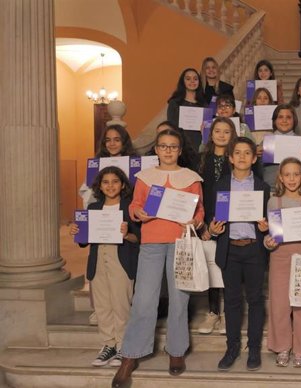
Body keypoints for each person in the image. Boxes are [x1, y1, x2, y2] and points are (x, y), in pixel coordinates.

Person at [111, 129, 204, 387]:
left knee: (178, 298)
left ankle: (176, 351)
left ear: (180, 150)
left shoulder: (191, 178)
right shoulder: (145, 177)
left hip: (181, 242)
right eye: (163, 146)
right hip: (151, 242)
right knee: (143, 300)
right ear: (157, 149)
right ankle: (130, 355)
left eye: (173, 146)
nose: (168, 151)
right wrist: (138, 212)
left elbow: (200, 211)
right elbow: (134, 207)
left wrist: (195, 220)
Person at [70, 166, 140, 367]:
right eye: (106, 182)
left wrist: (127, 234)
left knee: (121, 304)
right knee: (102, 305)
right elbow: (84, 241)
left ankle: (122, 346)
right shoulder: (93, 209)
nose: (110, 186)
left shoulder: (129, 207)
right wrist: (77, 231)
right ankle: (108, 344)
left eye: (115, 181)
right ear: (99, 186)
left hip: (121, 260)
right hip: (98, 260)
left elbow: (139, 238)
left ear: (123, 184)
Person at [212, 137, 271, 372]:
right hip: (230, 249)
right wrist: (213, 228)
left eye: (247, 153)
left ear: (254, 158)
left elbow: (270, 221)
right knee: (233, 301)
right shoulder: (220, 186)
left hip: (254, 249)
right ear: (230, 158)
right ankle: (232, 347)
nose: (242, 157)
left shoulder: (263, 187)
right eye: (237, 153)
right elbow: (212, 218)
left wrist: (267, 228)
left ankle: (254, 347)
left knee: (256, 300)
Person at [263, 157, 301, 368]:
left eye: (296, 174)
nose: (292, 178)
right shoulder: (273, 201)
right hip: (280, 257)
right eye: (287, 175)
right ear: (281, 178)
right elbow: (271, 237)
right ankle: (282, 346)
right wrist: (268, 243)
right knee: (279, 305)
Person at [197, 118, 237, 335]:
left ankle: (229, 313)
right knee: (212, 267)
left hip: (233, 219)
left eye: (227, 131)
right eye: (218, 131)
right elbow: (196, 194)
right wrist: (202, 225)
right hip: (209, 220)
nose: (222, 135)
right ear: (210, 134)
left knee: (229, 266)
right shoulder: (202, 159)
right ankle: (213, 312)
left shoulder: (237, 158)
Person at [79, 124, 137, 208]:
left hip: (128, 209)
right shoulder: (96, 165)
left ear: (124, 142)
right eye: (108, 140)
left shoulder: (135, 163)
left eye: (117, 140)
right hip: (102, 210)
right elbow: (88, 191)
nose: (112, 144)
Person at [261, 104, 301, 192]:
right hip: (272, 190)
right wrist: (256, 155)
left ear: (294, 120)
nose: (284, 120)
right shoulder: (266, 143)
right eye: (280, 117)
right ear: (274, 121)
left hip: (298, 191)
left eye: (288, 117)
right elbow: (259, 170)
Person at [166, 68, 206, 150]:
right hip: (180, 146)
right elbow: (171, 126)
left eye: (195, 79)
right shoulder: (174, 103)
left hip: (199, 146)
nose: (192, 81)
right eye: (188, 79)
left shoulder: (204, 104)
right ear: (183, 82)